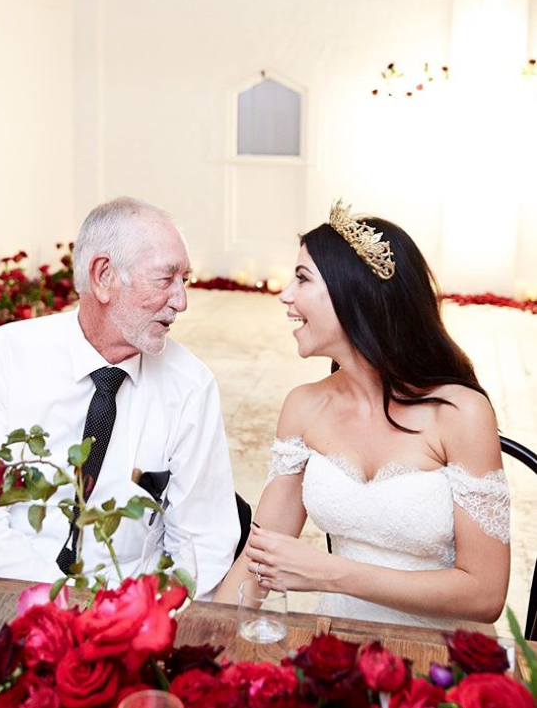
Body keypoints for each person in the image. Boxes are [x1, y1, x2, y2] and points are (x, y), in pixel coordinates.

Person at [215, 200, 510, 628]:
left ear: (356, 294)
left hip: (442, 662)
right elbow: (258, 558)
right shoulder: (303, 407)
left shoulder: (460, 414)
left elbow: (484, 594)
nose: (285, 294)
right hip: (336, 648)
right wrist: (199, 642)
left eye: (302, 278)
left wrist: (328, 573)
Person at [0, 196, 240, 598]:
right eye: (165, 279)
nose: (182, 301)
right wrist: (59, 606)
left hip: (134, 616)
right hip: (18, 597)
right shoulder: (2, 358)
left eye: (184, 280)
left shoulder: (190, 385)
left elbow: (204, 540)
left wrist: (139, 620)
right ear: (103, 276)